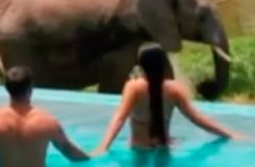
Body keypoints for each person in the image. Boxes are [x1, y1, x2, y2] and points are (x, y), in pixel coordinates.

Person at [93, 43, 242, 154]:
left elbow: (119, 118)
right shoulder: (174, 89)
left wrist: (103, 147)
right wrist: (230, 134)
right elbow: (197, 118)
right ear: (164, 65)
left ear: (140, 66)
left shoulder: (134, 88)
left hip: (140, 150)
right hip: (164, 148)